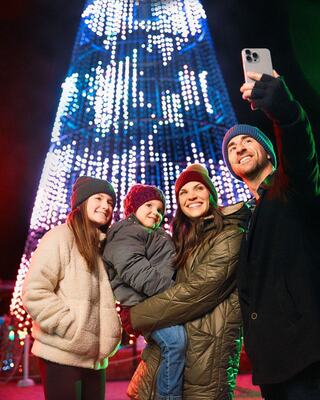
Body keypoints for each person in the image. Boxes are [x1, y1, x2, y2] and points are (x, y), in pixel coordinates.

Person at [222, 71, 320, 399]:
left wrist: (284, 110)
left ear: (267, 152)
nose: (239, 147)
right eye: (232, 146)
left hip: (306, 357)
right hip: (272, 363)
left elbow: (300, 149)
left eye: (248, 140)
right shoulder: (250, 217)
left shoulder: (289, 187)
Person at [120, 164, 250, 399]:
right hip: (162, 361)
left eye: (198, 188)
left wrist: (137, 316)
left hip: (204, 363)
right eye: (183, 192)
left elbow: (196, 292)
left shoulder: (230, 236)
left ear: (211, 193)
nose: (191, 196)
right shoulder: (181, 240)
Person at [22, 176, 122, 400]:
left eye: (110, 202)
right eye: (98, 198)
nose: (106, 206)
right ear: (81, 202)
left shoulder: (104, 248)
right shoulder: (59, 238)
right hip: (62, 354)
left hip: (96, 359)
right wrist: (71, 328)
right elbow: (35, 292)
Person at [103, 184, 186, 400]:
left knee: (167, 347)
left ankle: (144, 389)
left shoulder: (155, 233)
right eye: (148, 205)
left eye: (160, 209)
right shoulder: (126, 232)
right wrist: (174, 291)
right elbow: (135, 269)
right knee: (175, 341)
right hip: (139, 304)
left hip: (156, 301)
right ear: (133, 208)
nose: (155, 213)